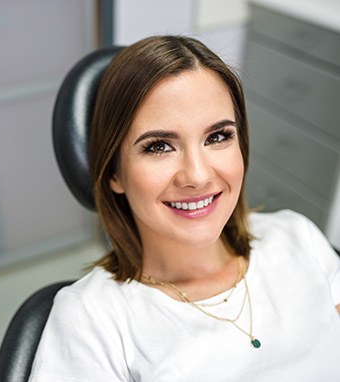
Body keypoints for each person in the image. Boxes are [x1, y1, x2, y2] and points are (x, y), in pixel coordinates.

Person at [28, 35, 340, 381]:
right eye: (159, 146)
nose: (198, 175)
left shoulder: (298, 238)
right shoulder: (90, 319)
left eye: (218, 137)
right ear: (114, 171)